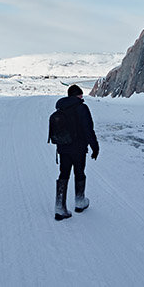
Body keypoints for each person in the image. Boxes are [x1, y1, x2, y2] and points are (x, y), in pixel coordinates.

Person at [53, 84, 99, 221]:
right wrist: (95, 147)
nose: (82, 97)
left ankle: (59, 208)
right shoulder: (81, 108)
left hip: (63, 148)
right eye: (80, 95)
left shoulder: (60, 108)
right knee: (79, 172)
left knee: (63, 174)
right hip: (78, 149)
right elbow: (88, 129)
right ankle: (80, 202)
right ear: (77, 95)